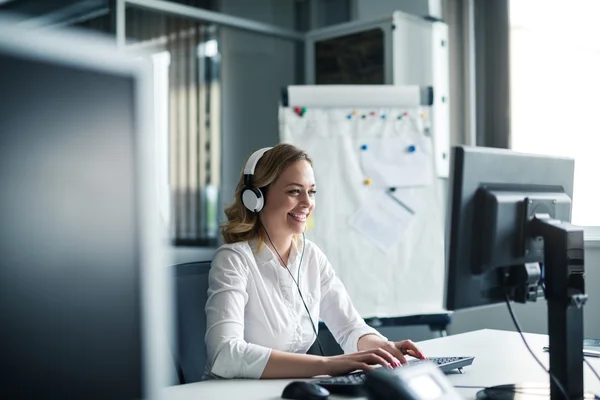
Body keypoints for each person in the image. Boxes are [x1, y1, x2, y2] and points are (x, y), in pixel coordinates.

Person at [204, 143, 426, 379]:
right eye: (294, 191)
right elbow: (225, 353)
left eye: (311, 192)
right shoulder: (233, 260)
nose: (307, 202)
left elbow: (350, 327)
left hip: (286, 391)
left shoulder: (310, 256)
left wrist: (383, 348)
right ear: (256, 197)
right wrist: (326, 364)